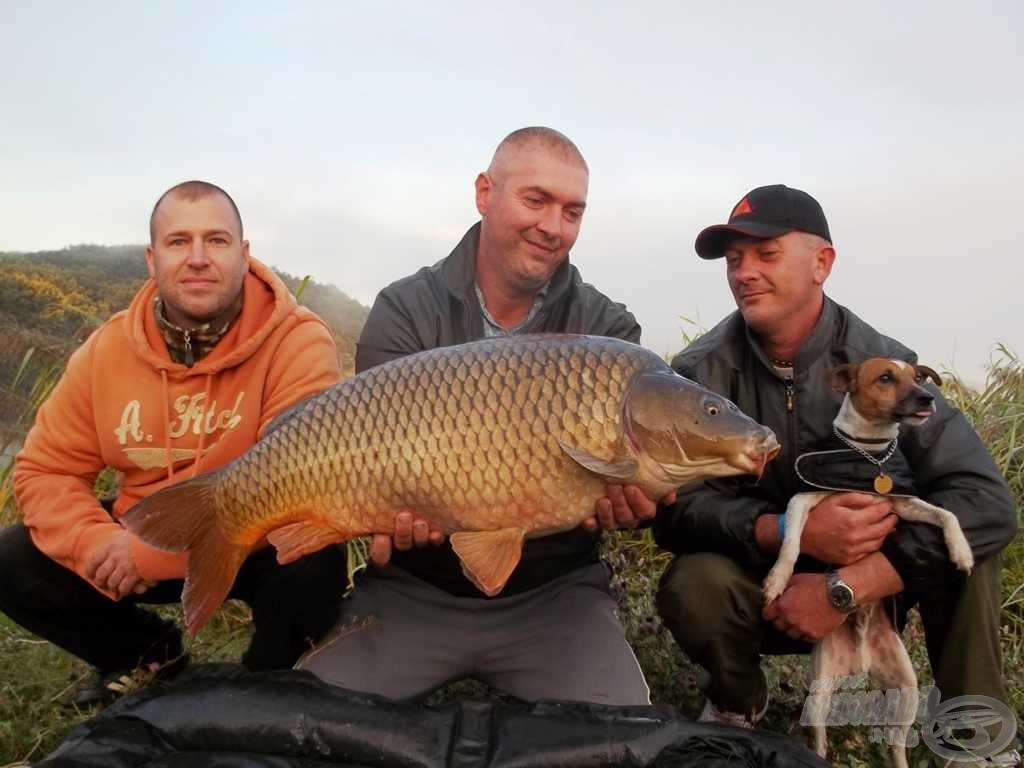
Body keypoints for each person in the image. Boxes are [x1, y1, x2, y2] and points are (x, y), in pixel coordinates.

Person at [298, 127, 669, 705]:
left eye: (572, 211)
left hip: (555, 597)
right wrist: (395, 509)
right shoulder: (406, 309)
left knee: (617, 738)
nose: (553, 226)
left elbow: (641, 495)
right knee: (316, 725)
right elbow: (366, 460)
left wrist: (634, 507)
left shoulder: (609, 335)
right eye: (536, 200)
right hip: (413, 590)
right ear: (484, 192)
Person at [654, 185, 1018, 764]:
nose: (744, 273)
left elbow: (987, 502)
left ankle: (975, 741)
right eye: (734, 260)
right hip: (772, 585)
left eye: (765, 255)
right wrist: (778, 531)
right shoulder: (700, 371)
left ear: (822, 262)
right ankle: (737, 700)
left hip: (881, 584)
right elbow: (676, 508)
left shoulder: (886, 365)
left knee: (968, 541)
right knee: (693, 581)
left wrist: (852, 585)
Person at [0, 181, 349, 706]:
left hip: (253, 535)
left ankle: (265, 679)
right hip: (141, 526)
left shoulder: (297, 340)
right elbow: (44, 471)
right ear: (152, 258)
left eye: (217, 240)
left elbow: (298, 481)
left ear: (244, 253)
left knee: (313, 561)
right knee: (12, 558)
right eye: (179, 242)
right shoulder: (106, 350)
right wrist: (98, 543)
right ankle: (147, 654)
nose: (199, 259)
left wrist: (149, 555)